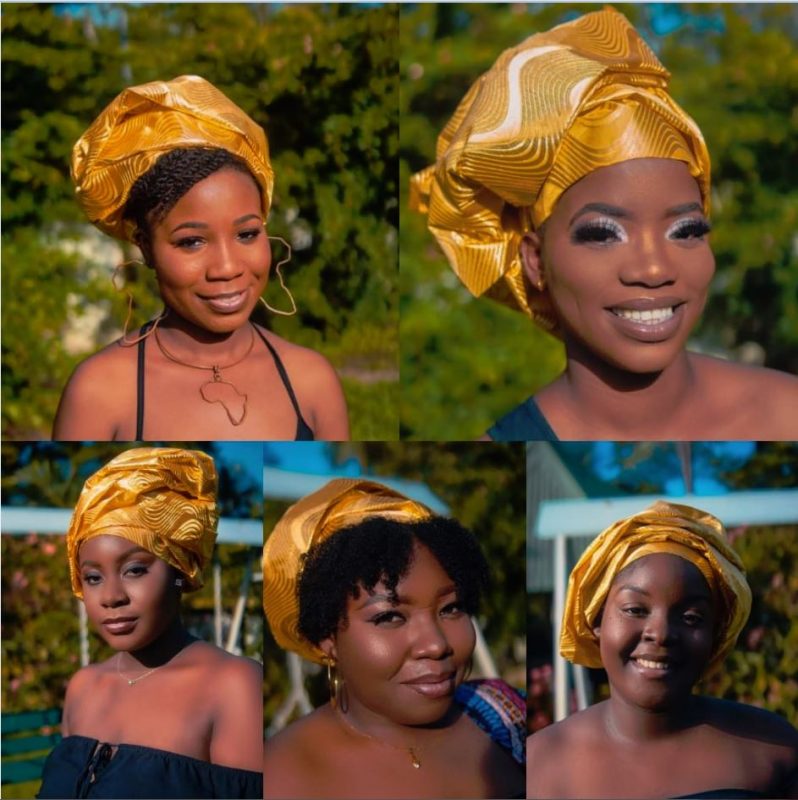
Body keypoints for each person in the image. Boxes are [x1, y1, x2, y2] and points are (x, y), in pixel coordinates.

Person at [410, 7, 798, 441]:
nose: (654, 269)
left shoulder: (787, 414)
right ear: (536, 261)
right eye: (603, 234)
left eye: (686, 231)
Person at [53, 75, 349, 441]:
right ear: (145, 247)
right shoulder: (101, 392)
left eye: (247, 234)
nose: (227, 268)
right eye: (192, 242)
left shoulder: (312, 380)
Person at [262, 478, 525, 799]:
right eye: (389, 616)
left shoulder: (503, 714)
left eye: (451, 608)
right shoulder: (280, 777)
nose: (436, 644)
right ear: (325, 638)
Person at [526, 501, 798, 799]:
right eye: (635, 609)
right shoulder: (538, 764)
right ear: (595, 619)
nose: (661, 633)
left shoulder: (773, 747)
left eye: (691, 617)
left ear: (716, 635)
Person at [37, 447, 263, 799]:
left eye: (135, 570)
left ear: (180, 569)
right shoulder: (83, 687)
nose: (111, 596)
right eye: (93, 577)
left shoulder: (232, 685)